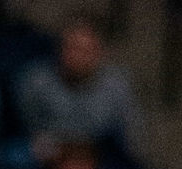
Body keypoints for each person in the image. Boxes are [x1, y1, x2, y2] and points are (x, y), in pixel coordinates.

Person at [17, 20, 143, 161]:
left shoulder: (116, 87)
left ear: (99, 54)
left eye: (86, 50)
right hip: (45, 158)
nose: (77, 57)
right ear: (59, 49)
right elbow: (27, 129)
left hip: (99, 161)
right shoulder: (35, 81)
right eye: (72, 48)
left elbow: (130, 138)